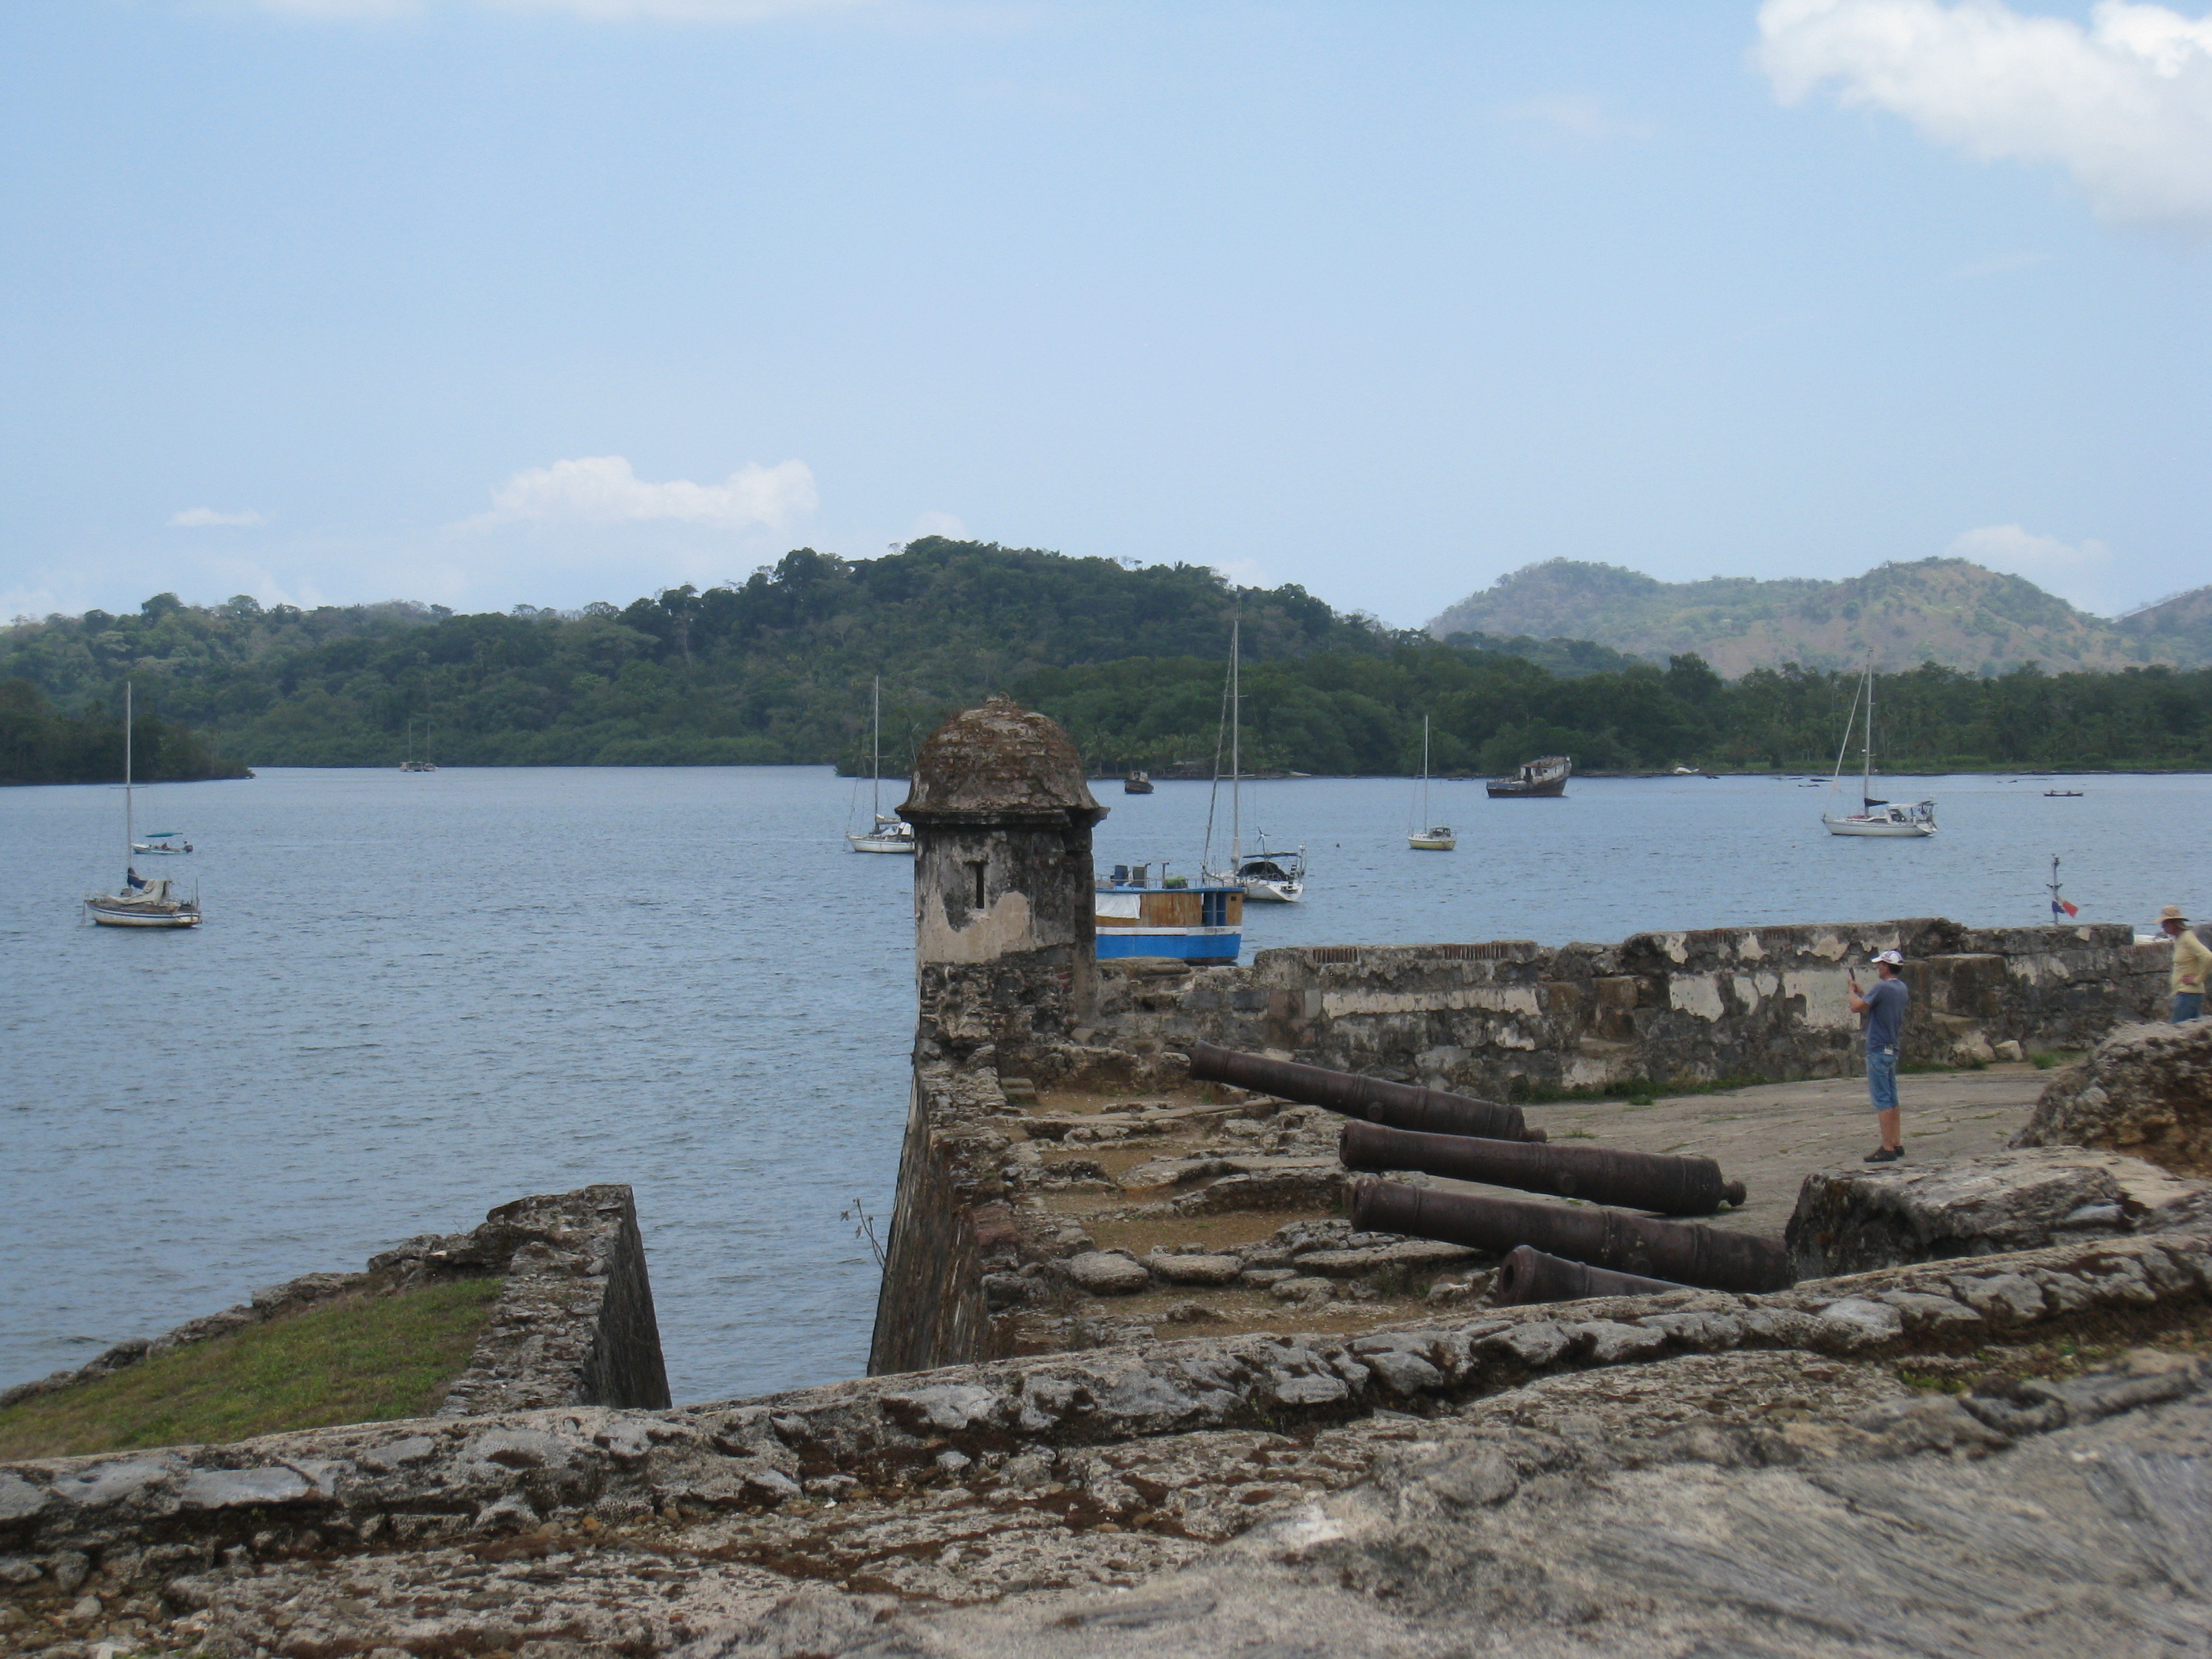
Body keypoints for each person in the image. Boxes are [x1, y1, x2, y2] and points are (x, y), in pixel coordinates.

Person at [1847, 949, 1909, 1162]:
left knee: (1882, 1099)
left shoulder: (1882, 987)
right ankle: (1896, 1141)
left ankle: (1887, 1147)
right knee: (1892, 1098)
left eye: (1880, 965)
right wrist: (1864, 993)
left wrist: (1851, 990)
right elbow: (1875, 1005)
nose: (1878, 968)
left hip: (1878, 1049)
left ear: (1886, 967)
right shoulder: (1901, 988)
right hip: (1892, 1048)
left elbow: (1857, 1007)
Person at [2160, 905, 2209, 1022]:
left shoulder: (2187, 938)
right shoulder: (2180, 939)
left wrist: (2198, 979)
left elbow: (2207, 956)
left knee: (2175, 1033)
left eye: (2166, 924)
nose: (2163, 927)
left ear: (2174, 924)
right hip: (2185, 994)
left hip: (2187, 995)